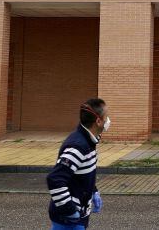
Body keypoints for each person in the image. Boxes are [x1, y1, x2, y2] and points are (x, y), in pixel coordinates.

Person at [46, 98, 107, 229]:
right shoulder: (78, 146)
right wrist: (69, 210)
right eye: (105, 117)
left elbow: (82, 172)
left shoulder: (90, 140)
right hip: (68, 220)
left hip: (79, 216)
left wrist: (94, 191)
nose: (108, 121)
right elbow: (55, 179)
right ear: (98, 121)